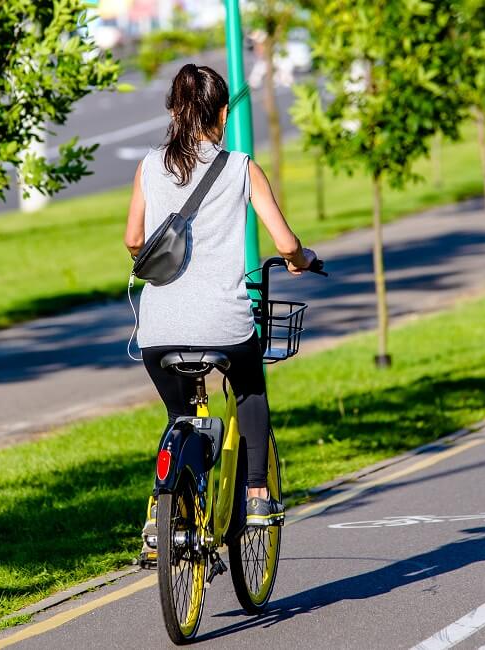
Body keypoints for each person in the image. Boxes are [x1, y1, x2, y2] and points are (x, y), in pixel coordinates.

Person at [125, 63, 317, 534]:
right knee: (250, 385)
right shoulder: (241, 168)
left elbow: (133, 240)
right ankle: (256, 495)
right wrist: (302, 259)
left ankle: (160, 515)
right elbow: (286, 245)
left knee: (181, 415)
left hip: (157, 329)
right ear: (224, 112)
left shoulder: (149, 166)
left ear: (173, 110)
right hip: (224, 325)